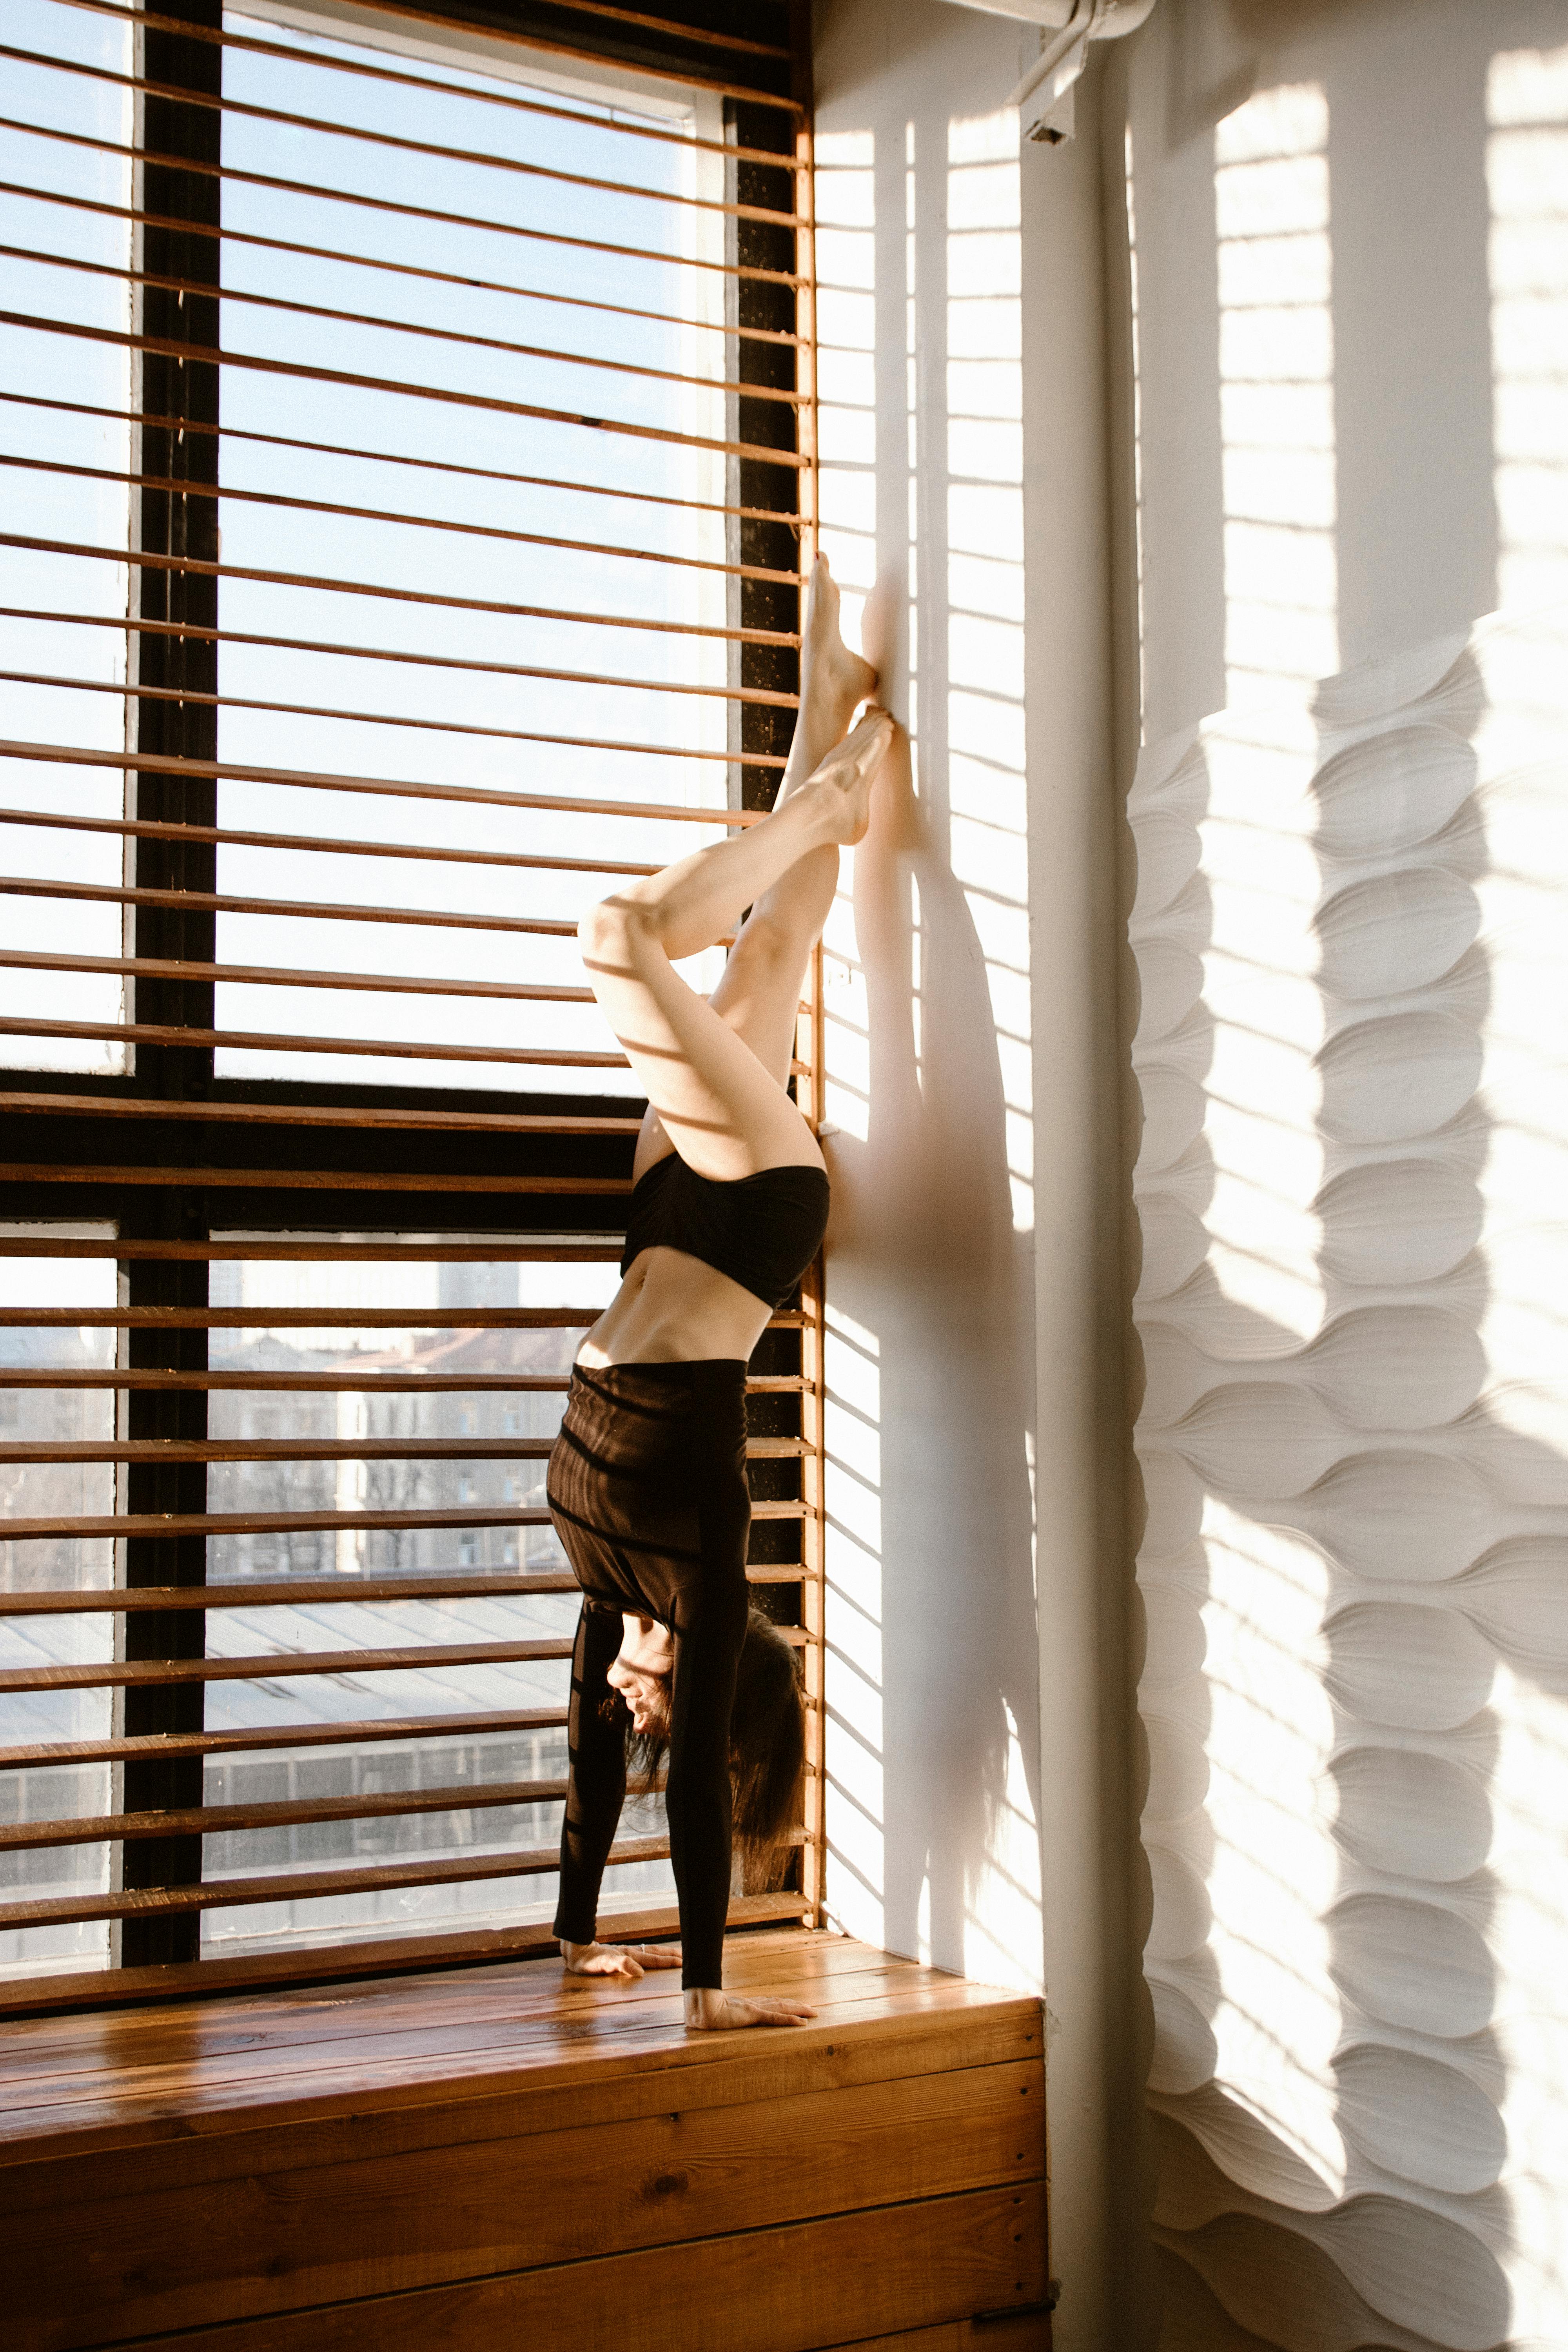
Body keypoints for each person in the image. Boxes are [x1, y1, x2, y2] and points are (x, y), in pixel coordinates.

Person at [546, 555, 893, 2031]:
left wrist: (573, 1942)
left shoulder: (610, 1586)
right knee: (618, 938)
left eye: (635, 1710)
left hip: (655, 1223)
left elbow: (584, 1768)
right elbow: (692, 1788)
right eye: (659, 1709)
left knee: (776, 946)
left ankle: (827, 710)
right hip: (754, 1211)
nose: (632, 1712)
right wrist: (700, 1994)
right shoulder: (694, 1556)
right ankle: (825, 803)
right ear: (704, 1675)